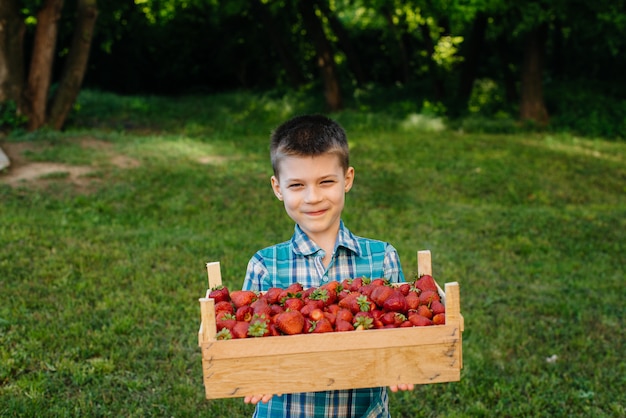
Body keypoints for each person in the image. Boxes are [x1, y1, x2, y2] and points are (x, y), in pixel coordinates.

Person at [242, 114, 413, 418]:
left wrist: (402, 360)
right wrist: (253, 373)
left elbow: (399, 332)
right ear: (277, 187)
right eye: (296, 185)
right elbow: (246, 349)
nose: (313, 197)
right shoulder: (265, 265)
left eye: (326, 182)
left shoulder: (381, 257)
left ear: (347, 179)